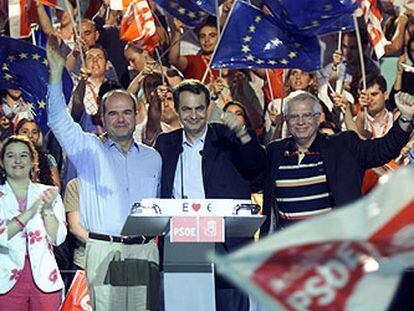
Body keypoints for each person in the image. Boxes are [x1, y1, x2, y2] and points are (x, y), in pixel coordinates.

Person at [46, 35, 162, 311]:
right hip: (102, 250)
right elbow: (57, 119)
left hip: (145, 250)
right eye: (113, 113)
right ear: (102, 117)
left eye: (126, 112)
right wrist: (55, 73)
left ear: (136, 115)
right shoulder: (87, 150)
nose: (120, 119)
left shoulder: (153, 158)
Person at [154, 80, 265, 311]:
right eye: (186, 109)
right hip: (182, 242)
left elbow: (256, 165)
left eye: (199, 108)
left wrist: (242, 133)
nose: (193, 115)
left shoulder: (228, 139)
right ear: (177, 109)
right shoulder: (166, 144)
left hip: (226, 244)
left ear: (208, 108)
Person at [262, 90, 414, 231]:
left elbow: (383, 149)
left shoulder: (342, 146)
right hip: (288, 251)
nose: (301, 122)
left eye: (307, 115)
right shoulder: (275, 152)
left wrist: (405, 117)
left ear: (317, 118)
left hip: (332, 249)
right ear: (286, 120)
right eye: (294, 116)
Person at [0, 135, 67, 310]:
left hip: (45, 281)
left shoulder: (50, 193)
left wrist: (46, 210)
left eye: (23, 155)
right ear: (2, 162)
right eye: (10, 155)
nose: (17, 160)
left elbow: (58, 238)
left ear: (32, 161)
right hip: (5, 281)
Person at [168, 17, 219, 83]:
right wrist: (177, 31)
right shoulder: (194, 61)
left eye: (212, 36)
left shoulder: (227, 62)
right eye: (202, 36)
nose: (206, 40)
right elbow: (174, 59)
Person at [15, 118, 61, 189]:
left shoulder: (48, 159)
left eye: (34, 132)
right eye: (25, 132)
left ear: (39, 135)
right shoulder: (7, 158)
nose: (30, 136)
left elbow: (56, 188)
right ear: (16, 134)